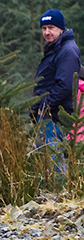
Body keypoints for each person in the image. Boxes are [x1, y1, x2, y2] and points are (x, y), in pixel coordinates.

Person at [31, 9, 81, 148]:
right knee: (43, 153)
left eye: (51, 28)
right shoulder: (55, 48)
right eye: (44, 28)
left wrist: (44, 105)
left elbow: (65, 86)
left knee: (52, 155)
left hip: (56, 114)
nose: (47, 32)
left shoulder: (67, 51)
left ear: (60, 28)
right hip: (48, 113)